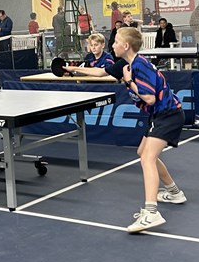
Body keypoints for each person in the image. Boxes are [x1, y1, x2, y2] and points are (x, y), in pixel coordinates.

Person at [67, 28, 186, 233]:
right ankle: (174, 193)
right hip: (158, 115)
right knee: (142, 152)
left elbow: (150, 98)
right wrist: (72, 69)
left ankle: (151, 213)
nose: (112, 45)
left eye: (116, 42)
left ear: (126, 45)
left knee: (147, 158)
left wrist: (129, 81)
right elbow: (101, 72)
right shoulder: (125, 64)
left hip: (168, 114)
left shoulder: (140, 66)